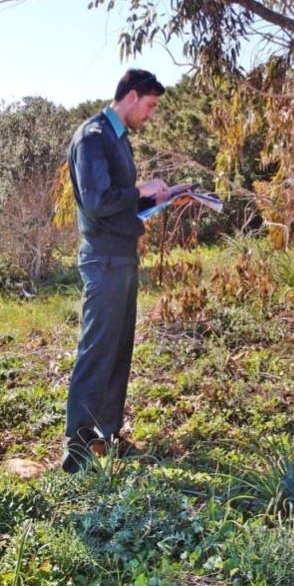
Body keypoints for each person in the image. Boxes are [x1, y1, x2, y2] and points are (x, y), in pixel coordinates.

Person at [62, 69, 168, 472]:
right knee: (97, 351)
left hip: (122, 255)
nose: (151, 115)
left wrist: (163, 198)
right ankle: (78, 452)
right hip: (103, 259)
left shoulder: (119, 139)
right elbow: (97, 201)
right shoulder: (92, 137)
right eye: (151, 106)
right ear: (132, 96)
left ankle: (106, 435)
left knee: (118, 348)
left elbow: (121, 203)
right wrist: (140, 191)